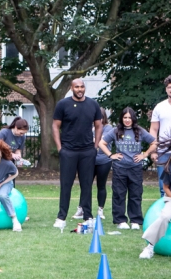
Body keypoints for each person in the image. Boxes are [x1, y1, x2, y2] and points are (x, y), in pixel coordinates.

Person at [52, 79, 103, 229]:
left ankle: (88, 216)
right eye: (77, 87)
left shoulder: (93, 104)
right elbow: (55, 126)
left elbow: (99, 126)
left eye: (82, 87)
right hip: (68, 150)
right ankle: (61, 217)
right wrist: (60, 148)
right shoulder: (63, 104)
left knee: (86, 185)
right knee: (66, 185)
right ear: (71, 88)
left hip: (87, 151)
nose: (80, 89)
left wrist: (95, 147)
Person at [99, 108, 157, 229]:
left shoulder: (140, 131)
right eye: (125, 117)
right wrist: (111, 155)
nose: (127, 120)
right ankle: (120, 220)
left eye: (129, 118)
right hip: (119, 168)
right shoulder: (116, 131)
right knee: (119, 194)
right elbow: (101, 143)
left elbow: (154, 142)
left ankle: (135, 220)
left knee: (135, 194)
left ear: (133, 119)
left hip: (135, 168)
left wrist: (145, 155)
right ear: (121, 118)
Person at [73, 108, 112, 220]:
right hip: (88, 161)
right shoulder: (88, 127)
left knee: (101, 185)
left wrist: (92, 139)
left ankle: (100, 210)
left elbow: (101, 141)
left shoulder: (108, 128)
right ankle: (81, 208)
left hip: (103, 161)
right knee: (85, 185)